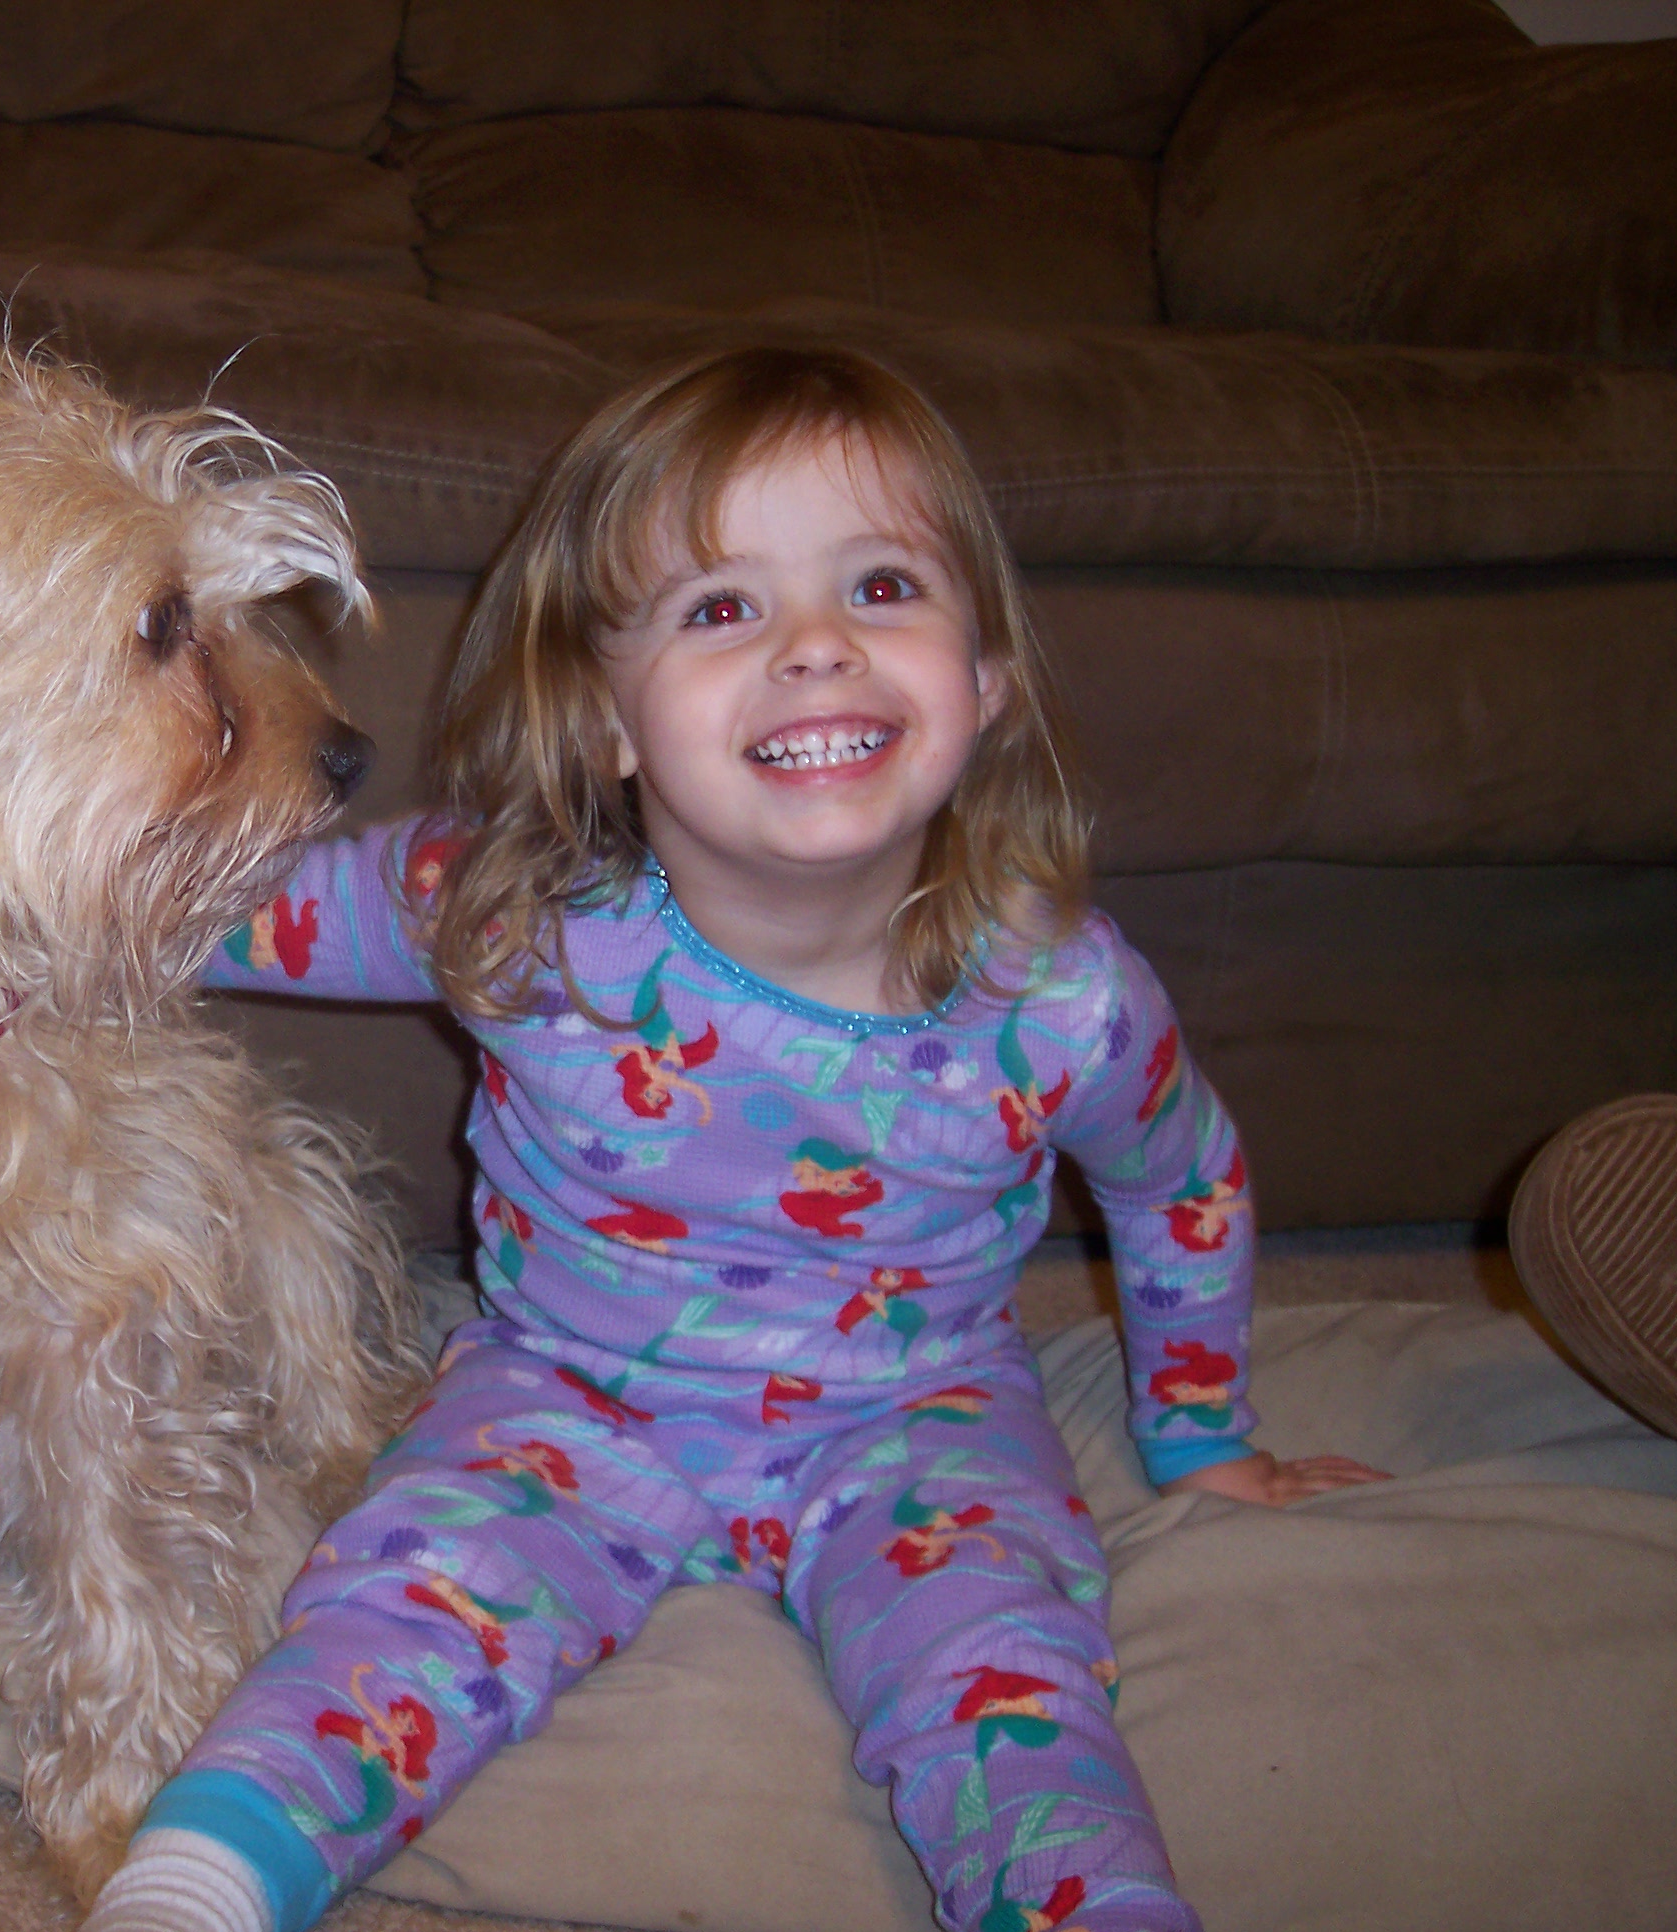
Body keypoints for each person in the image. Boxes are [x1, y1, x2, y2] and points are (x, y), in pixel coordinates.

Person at [87, 347, 1386, 1932]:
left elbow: (1183, 1181)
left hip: (920, 1422)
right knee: (392, 1615)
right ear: (606, 723)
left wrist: (1198, 1433)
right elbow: (213, 913)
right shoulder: (512, 913)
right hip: (563, 1399)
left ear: (985, 681)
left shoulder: (1063, 999)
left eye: (884, 587)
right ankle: (192, 1893)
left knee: (1008, 1685)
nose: (817, 645)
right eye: (721, 608)